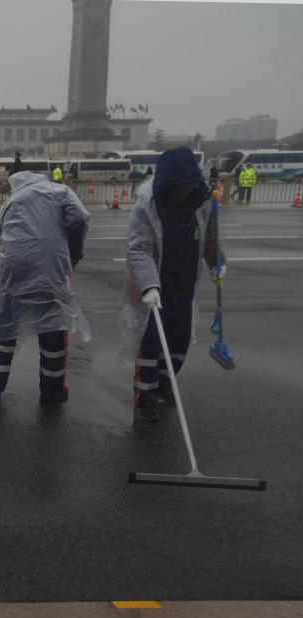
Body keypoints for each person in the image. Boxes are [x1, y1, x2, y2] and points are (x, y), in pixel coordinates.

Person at [119, 146, 225, 423]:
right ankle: (146, 401)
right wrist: (149, 286)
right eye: (178, 188)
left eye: (188, 188)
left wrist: (217, 263)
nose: (183, 194)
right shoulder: (148, 206)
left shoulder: (202, 203)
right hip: (154, 288)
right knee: (151, 345)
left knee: (178, 344)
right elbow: (139, 250)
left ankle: (165, 383)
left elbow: (210, 239)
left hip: (184, 287)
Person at [0, 170, 91, 404]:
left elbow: (2, 234)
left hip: (15, 268)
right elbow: (79, 219)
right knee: (53, 325)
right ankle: (52, 391)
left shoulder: (11, 201)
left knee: (4, 326)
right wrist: (74, 252)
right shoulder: (60, 192)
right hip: (51, 267)